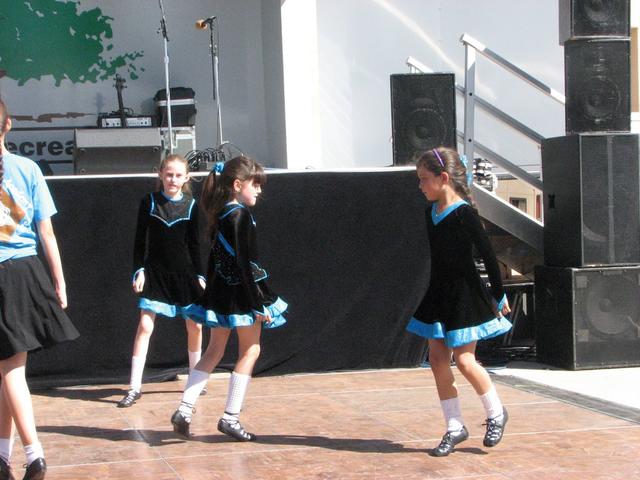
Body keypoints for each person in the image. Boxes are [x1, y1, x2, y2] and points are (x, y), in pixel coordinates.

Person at [170, 155, 287, 442]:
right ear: (237, 185)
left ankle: (185, 408)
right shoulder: (240, 215)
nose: (259, 190)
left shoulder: (220, 213)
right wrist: (257, 303)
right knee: (251, 351)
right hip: (242, 296)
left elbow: (217, 262)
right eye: (255, 184)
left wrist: (212, 293)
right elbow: (244, 264)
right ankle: (230, 417)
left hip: (222, 295)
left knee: (213, 351)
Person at [407, 147, 512, 457]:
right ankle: (455, 427)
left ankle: (496, 413)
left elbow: (489, 257)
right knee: (438, 361)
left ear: (443, 178)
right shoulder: (430, 212)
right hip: (439, 294)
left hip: (465, 296)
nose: (421, 186)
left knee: (465, 361)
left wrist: (499, 294)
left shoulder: (465, 213)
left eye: (424, 180)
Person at [0, 98, 79, 479]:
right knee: (8, 367)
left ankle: (34, 455)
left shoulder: (26, 169)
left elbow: (45, 230)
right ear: (9, 125)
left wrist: (59, 281)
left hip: (6, 275)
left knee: (11, 369)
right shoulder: (28, 168)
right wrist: (58, 280)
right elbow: (46, 233)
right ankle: (3, 456)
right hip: (27, 272)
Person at [117, 155, 206, 408]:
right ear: (160, 175)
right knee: (145, 326)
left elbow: (195, 244)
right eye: (169, 174)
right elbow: (139, 241)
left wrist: (200, 276)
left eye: (178, 175)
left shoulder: (191, 205)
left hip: (184, 275)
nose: (173, 179)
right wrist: (139, 270)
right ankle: (134, 387)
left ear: (186, 178)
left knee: (195, 327)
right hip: (155, 273)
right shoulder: (149, 201)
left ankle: (196, 379)